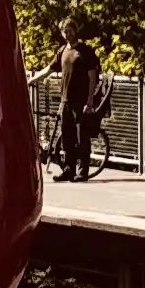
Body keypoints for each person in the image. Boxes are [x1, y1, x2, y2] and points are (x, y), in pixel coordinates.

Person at [53, 27, 106, 183]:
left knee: (81, 137)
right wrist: (28, 81)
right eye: (64, 31)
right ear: (61, 34)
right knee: (67, 138)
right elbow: (49, 69)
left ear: (75, 31)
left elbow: (92, 77)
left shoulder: (85, 51)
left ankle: (82, 172)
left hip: (81, 102)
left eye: (70, 31)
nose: (67, 34)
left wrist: (89, 101)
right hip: (66, 101)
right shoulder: (62, 51)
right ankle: (68, 171)